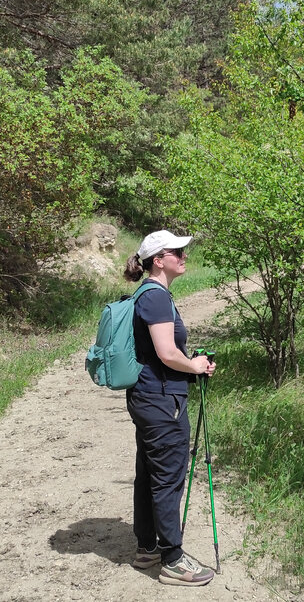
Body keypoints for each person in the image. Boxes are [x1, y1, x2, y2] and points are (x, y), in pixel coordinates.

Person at [122, 229, 217, 587]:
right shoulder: (157, 298)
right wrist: (194, 366)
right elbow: (166, 353)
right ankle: (173, 560)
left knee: (148, 473)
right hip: (162, 403)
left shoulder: (149, 294)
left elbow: (159, 356)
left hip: (149, 397)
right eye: (177, 251)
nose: (184, 256)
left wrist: (192, 365)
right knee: (167, 478)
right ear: (158, 260)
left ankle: (147, 547)